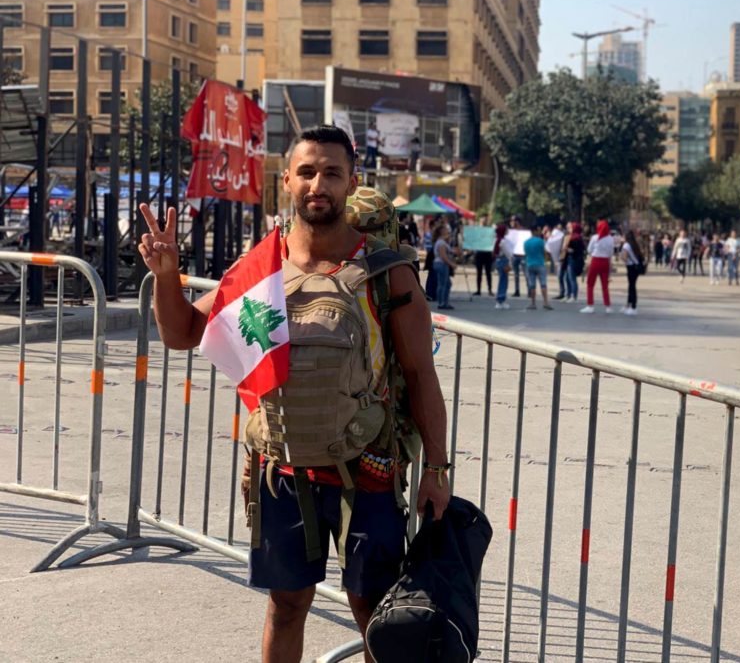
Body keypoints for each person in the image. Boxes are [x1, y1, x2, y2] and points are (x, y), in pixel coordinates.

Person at [137, 125, 450, 663]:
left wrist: (438, 471)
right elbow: (182, 333)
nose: (317, 184)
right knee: (285, 606)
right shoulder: (259, 268)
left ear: (352, 182)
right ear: (287, 180)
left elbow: (421, 375)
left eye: (331, 172)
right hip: (281, 473)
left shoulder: (386, 274)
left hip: (367, 471)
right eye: (306, 171)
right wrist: (167, 277)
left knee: (375, 613)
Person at [580, 220, 615, 314]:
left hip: (595, 261)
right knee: (605, 286)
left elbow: (589, 249)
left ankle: (590, 305)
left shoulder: (595, 237)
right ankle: (608, 306)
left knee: (590, 284)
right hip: (605, 262)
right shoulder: (611, 238)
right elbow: (611, 252)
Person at [524, 225, 554, 311]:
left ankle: (533, 303)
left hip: (530, 264)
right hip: (540, 264)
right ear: (536, 231)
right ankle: (545, 302)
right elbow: (545, 252)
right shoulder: (541, 241)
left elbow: (526, 254)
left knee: (532, 285)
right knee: (543, 284)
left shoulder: (526, 242)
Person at [433, 223, 457, 309]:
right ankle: (442, 303)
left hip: (441, 264)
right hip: (441, 264)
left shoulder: (442, 241)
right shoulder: (441, 243)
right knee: (443, 284)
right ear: (442, 231)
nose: (447, 230)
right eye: (446, 229)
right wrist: (452, 264)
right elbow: (443, 256)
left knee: (446, 284)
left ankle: (444, 302)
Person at [620, 230, 644, 315]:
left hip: (631, 267)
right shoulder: (633, 244)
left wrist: (621, 256)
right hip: (636, 267)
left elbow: (625, 257)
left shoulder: (626, 245)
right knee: (632, 286)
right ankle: (628, 305)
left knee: (632, 287)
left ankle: (633, 306)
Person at [494, 223, 514, 310]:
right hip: (503, 261)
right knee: (503, 281)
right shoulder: (503, 241)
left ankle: (500, 299)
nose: (507, 230)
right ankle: (501, 300)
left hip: (499, 261)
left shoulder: (497, 240)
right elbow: (508, 253)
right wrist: (511, 261)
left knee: (502, 280)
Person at [564, 223, 586, 303]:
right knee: (567, 277)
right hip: (572, 259)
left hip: (573, 259)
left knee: (572, 278)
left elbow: (574, 250)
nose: (569, 229)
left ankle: (573, 295)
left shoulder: (575, 239)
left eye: (571, 228)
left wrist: (566, 248)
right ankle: (568, 294)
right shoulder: (577, 238)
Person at [545, 223, 566, 299]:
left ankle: (565, 293)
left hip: (564, 259)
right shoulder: (557, 236)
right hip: (560, 258)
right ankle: (562, 292)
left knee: (563, 277)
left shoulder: (564, 236)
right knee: (560, 276)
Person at [509, 215, 525, 297]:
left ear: (517, 222)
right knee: (516, 274)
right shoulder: (511, 231)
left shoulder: (523, 231)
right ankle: (517, 290)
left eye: (513, 220)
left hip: (522, 255)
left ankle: (530, 290)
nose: (511, 222)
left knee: (526, 274)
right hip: (514, 255)